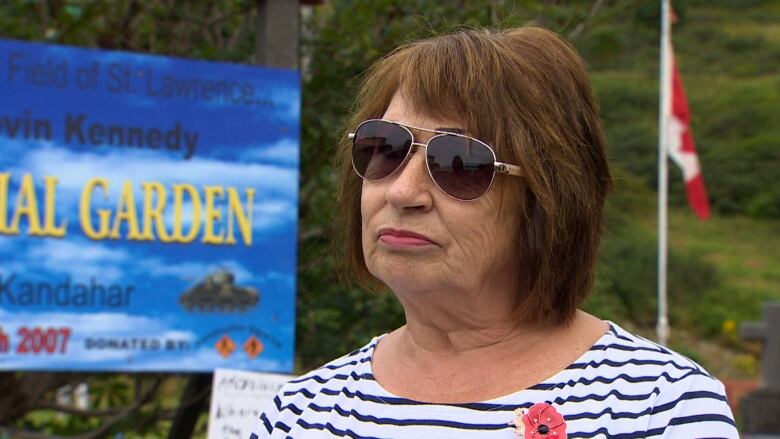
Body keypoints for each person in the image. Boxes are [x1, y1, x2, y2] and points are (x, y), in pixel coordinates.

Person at [251, 26, 737, 438]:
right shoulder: (301, 414)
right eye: (385, 148)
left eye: (458, 162)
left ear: (548, 197)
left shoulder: (661, 407)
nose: (403, 192)